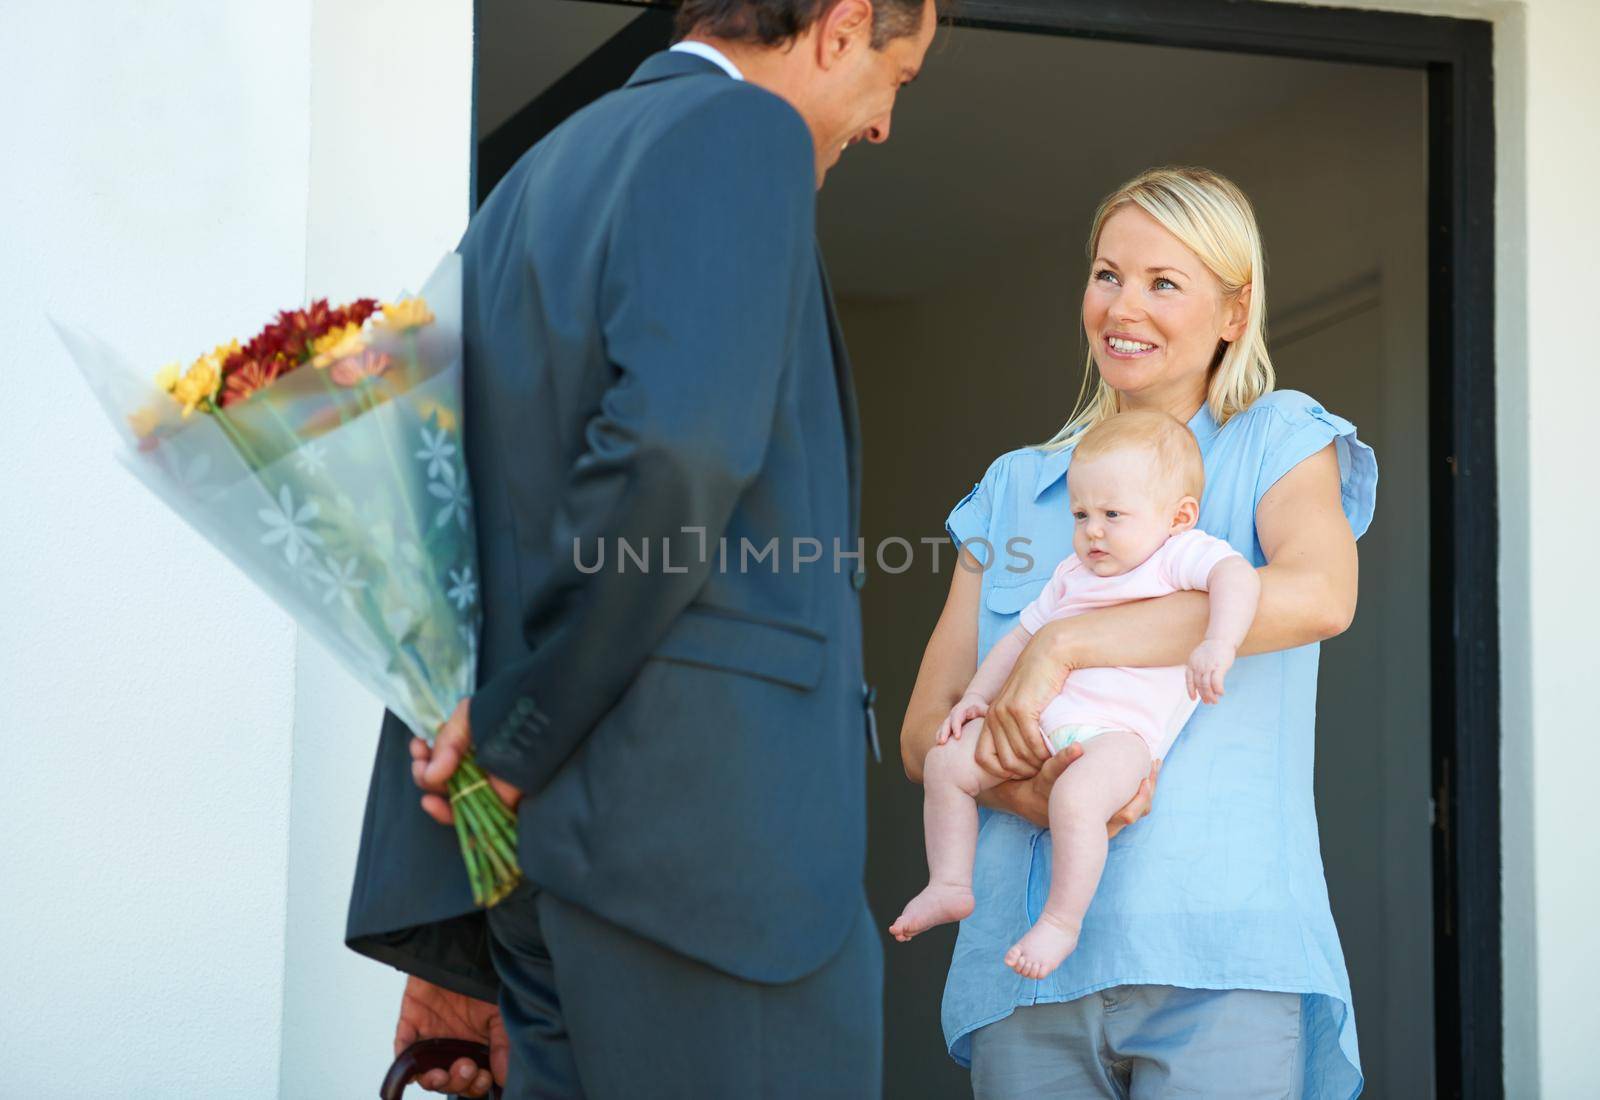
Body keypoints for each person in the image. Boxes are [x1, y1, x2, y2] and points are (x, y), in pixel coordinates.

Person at [341, 1, 939, 1097]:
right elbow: (676, 450)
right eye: (898, 75)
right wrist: (522, 732)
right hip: (707, 869)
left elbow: (434, 529)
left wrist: (451, 915)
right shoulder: (739, 129)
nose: (883, 122)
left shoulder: (528, 183)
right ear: (841, 25)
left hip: (535, 877)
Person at [900, 165, 1377, 1097]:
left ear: (1234, 313)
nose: (1125, 306)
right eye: (1108, 274)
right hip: (1022, 971)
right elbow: (927, 733)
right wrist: (1033, 793)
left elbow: (1320, 595)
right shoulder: (1014, 488)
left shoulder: (1278, 439)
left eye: (1166, 282)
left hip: (1218, 956)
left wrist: (1067, 644)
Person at [890, 410, 1260, 983]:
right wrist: (977, 698)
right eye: (1081, 514)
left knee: (1078, 800)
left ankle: (1062, 922)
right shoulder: (1072, 573)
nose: (1093, 531)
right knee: (946, 763)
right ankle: (949, 884)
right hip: (1041, 727)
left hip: (1120, 736)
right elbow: (1020, 637)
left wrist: (1219, 642)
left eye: (1113, 515)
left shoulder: (1178, 555)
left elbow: (1238, 578)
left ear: (1178, 515)